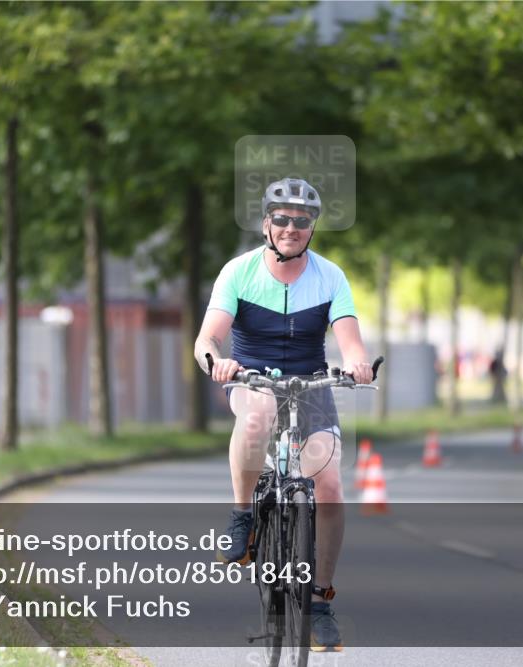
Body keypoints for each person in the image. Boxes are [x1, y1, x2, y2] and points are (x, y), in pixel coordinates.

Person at [194, 177, 373, 653]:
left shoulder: (330, 276)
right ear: (266, 223)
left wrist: (355, 363)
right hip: (252, 381)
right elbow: (208, 338)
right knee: (258, 415)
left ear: (312, 228)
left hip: (311, 386)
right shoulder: (239, 272)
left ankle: (319, 602)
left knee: (330, 482)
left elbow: (351, 338)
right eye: (282, 219)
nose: (292, 227)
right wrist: (217, 359)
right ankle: (242, 515)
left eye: (302, 220)